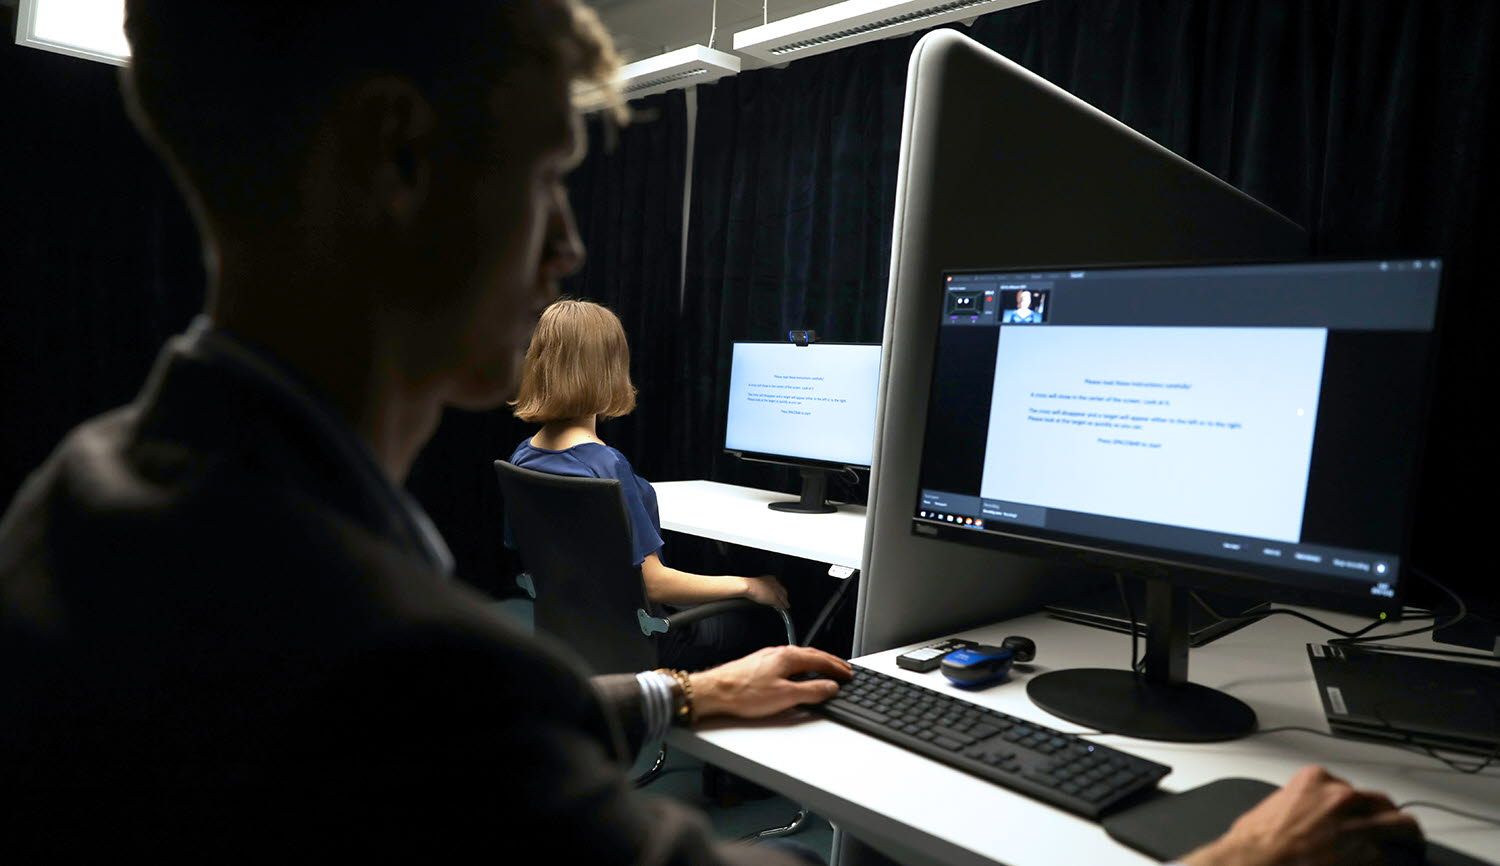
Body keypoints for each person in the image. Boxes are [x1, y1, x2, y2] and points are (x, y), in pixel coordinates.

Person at [0, 1, 1419, 863]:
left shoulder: (88, 500)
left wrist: (678, 697)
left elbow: (451, 732)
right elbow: (431, 730)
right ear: (398, 160)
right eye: (551, 178)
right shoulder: (381, 670)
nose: (566, 243)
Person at [509, 298, 789, 670]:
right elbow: (653, 584)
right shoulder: (607, 466)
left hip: (575, 634)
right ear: (609, 368)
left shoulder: (522, 458)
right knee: (760, 619)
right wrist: (749, 585)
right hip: (648, 643)